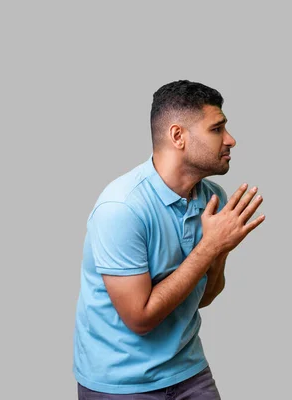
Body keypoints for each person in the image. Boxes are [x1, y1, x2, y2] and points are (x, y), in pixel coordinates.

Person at [73, 80, 265, 399]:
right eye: (217, 129)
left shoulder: (212, 197)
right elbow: (140, 318)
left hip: (188, 370)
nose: (230, 140)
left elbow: (204, 297)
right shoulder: (121, 208)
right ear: (178, 136)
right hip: (121, 382)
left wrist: (221, 251)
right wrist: (211, 246)